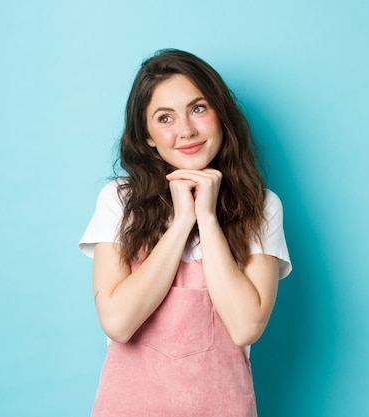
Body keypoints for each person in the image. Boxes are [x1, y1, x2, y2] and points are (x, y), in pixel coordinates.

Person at [79, 48, 291, 416]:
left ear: (221, 114)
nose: (186, 131)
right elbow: (118, 322)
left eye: (198, 108)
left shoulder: (262, 206)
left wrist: (207, 218)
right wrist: (181, 222)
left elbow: (245, 327)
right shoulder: (118, 200)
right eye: (165, 118)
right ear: (146, 135)